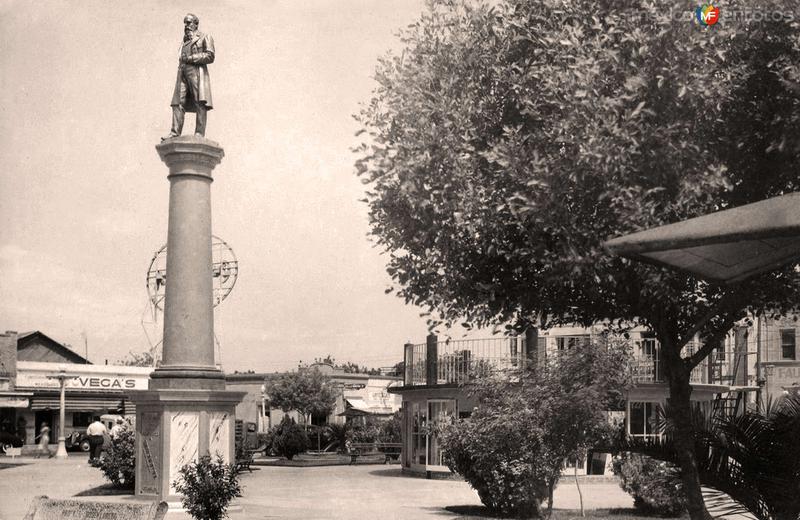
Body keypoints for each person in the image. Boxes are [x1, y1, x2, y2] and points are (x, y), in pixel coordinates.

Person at [162, 13, 214, 140]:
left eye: (189, 22)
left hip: (196, 72)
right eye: (185, 23)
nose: (186, 26)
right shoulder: (184, 41)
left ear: (196, 24)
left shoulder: (204, 37)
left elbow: (210, 55)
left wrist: (191, 58)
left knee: (199, 101)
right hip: (183, 73)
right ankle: (175, 132)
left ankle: (199, 133)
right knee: (178, 102)